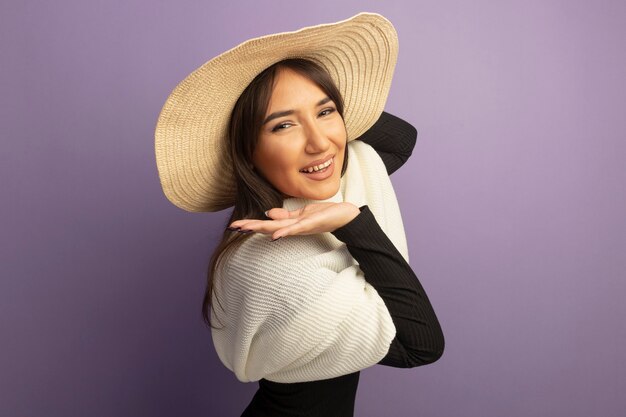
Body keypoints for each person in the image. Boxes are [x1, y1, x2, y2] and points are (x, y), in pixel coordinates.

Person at [155, 12, 444, 417]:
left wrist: (303, 83)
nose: (319, 143)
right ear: (247, 153)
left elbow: (400, 140)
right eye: (283, 126)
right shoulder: (264, 263)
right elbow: (420, 346)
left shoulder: (333, 188)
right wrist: (352, 222)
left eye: (326, 113)